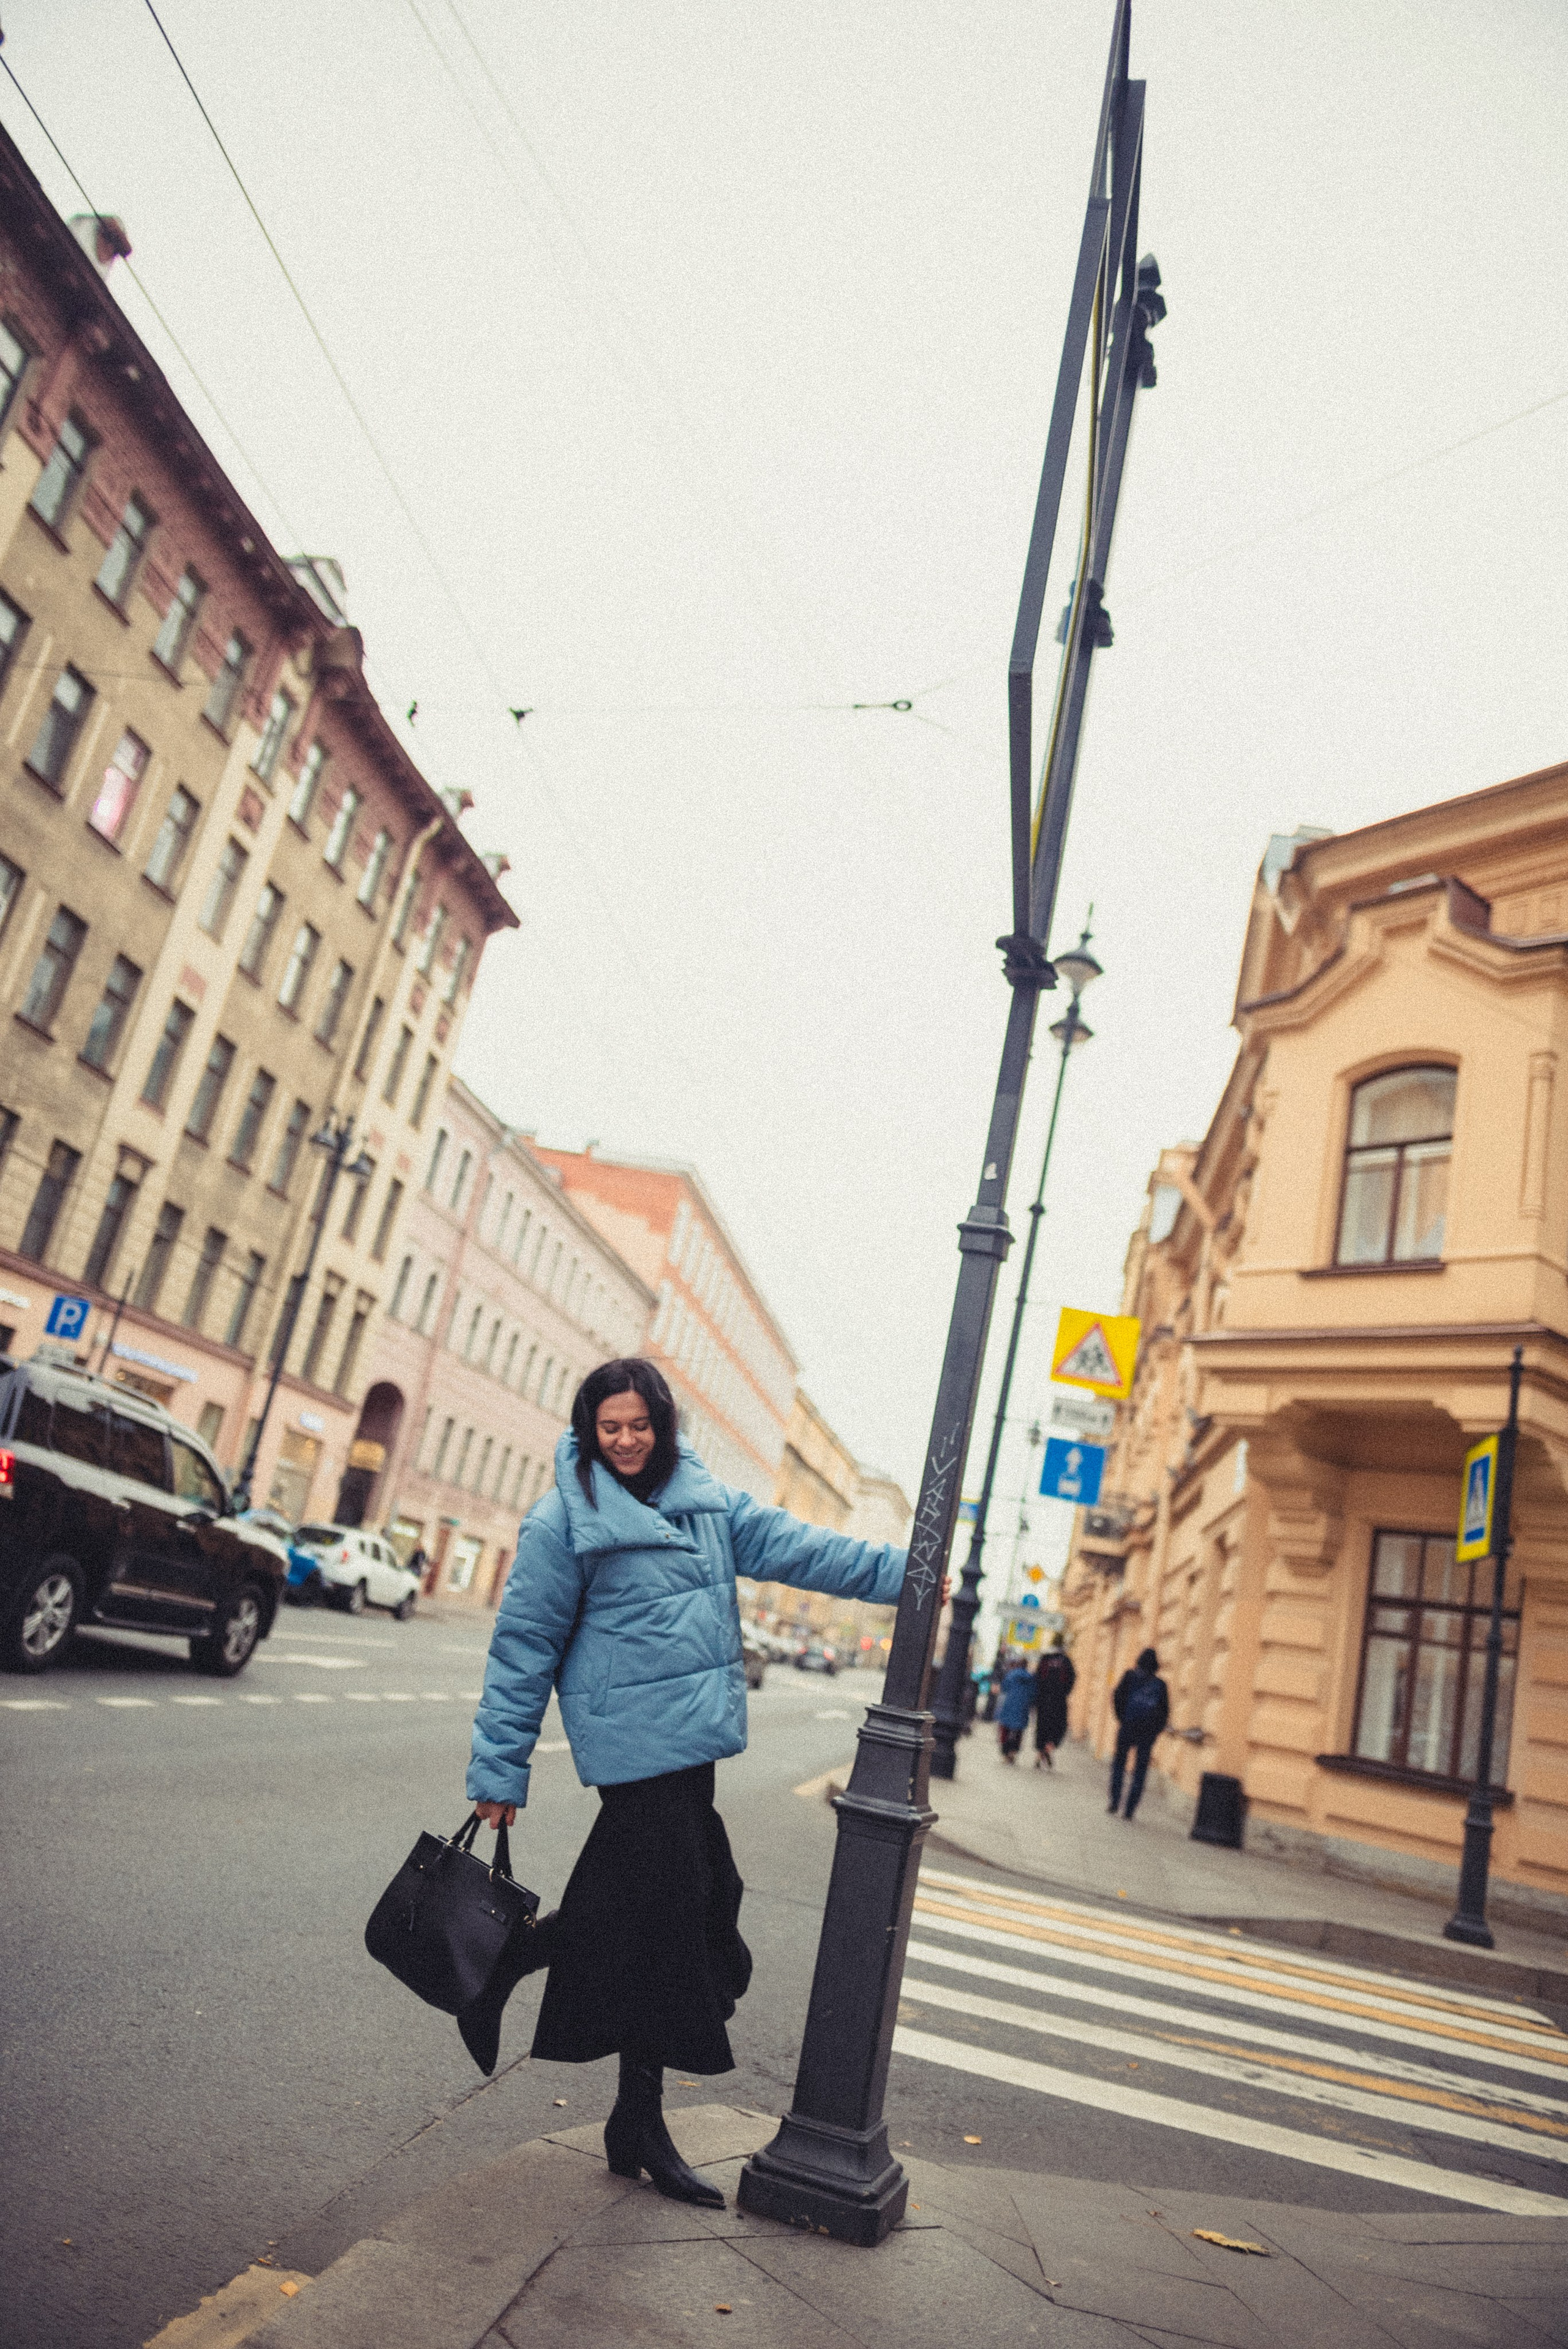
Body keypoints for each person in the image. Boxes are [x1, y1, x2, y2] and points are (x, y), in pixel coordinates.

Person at [464, 1357, 910, 2210]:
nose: (626, 1440)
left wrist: (906, 1574)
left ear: (663, 1426)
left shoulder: (710, 1506)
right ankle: (638, 2119)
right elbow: (522, 1646)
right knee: (672, 1923)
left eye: (639, 1424)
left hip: (693, 1746)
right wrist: (500, 1767)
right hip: (635, 1754)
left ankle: (542, 1998)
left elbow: (802, 1546)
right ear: (588, 1430)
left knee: (674, 1918)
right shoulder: (566, 1518)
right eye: (609, 1427)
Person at [1108, 1645, 1169, 1819]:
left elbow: (1118, 1697)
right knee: (1140, 1771)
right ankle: (1129, 1810)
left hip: (1128, 1726)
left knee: (1119, 1764)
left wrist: (1122, 1718)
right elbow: (1165, 1712)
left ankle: (1114, 1802)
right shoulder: (1160, 1685)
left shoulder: (1129, 1677)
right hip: (1147, 1732)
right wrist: (1155, 1731)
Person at [1032, 1634, 1075, 1769]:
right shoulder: (1066, 1661)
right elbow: (1072, 1679)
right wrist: (1064, 1693)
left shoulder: (1045, 1659)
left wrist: (1038, 1696)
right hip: (1059, 1701)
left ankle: (1041, 1753)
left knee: (1042, 1728)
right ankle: (1048, 1748)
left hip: (1044, 1700)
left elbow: (1037, 1677)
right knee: (1057, 1728)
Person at [996, 1654, 1035, 1760]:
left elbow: (1004, 1688)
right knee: (1019, 1731)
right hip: (1023, 1707)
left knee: (1005, 1729)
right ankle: (1013, 1751)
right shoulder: (1031, 1678)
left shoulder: (1011, 1675)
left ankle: (1005, 1752)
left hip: (1009, 1705)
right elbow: (1033, 1693)